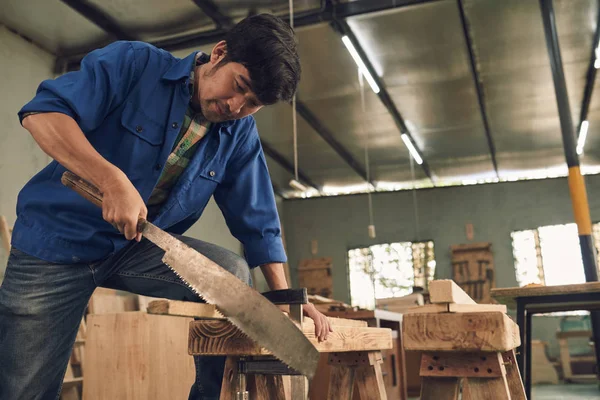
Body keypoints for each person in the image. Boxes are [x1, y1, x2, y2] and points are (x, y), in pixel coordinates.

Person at [0, 13, 332, 400]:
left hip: (135, 247)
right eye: (239, 86)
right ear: (219, 53)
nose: (236, 106)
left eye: (253, 103)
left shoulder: (239, 133)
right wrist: (111, 180)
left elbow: (258, 220)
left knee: (230, 274)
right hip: (55, 242)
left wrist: (285, 300)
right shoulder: (135, 64)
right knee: (25, 389)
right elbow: (42, 115)